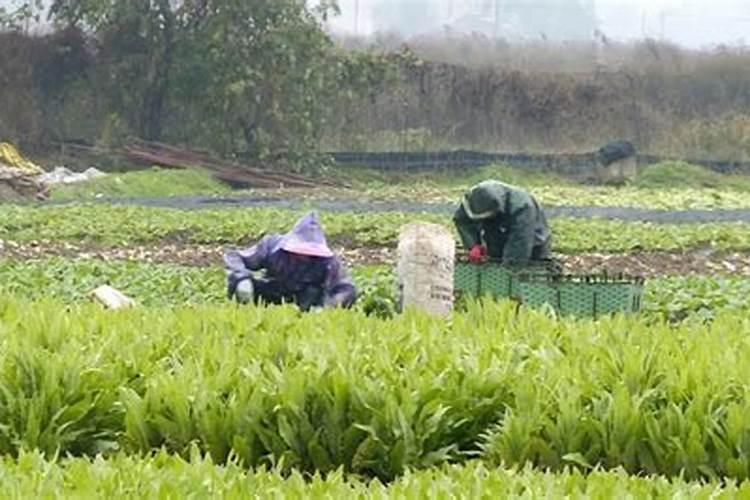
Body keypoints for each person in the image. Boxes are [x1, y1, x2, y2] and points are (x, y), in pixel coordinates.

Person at [224, 212, 357, 311]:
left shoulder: (328, 261)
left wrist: (328, 307)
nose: (303, 255)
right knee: (241, 285)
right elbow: (234, 257)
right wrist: (242, 279)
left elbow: (347, 289)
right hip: (272, 292)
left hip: (304, 301)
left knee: (313, 293)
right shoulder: (271, 246)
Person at [453, 180, 552, 264]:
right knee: (494, 263)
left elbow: (520, 243)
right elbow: (462, 221)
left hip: (534, 242)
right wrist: (474, 245)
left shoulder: (523, 207)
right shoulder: (471, 200)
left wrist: (507, 271)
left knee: (528, 276)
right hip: (497, 236)